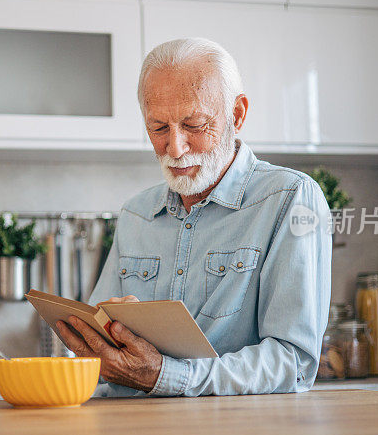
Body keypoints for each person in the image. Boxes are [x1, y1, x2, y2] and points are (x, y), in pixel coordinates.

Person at [56, 38, 332, 397]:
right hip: (130, 433)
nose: (175, 148)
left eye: (195, 124)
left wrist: (165, 376)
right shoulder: (136, 214)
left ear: (237, 115)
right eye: (158, 128)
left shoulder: (292, 199)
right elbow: (94, 348)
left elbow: (293, 363)